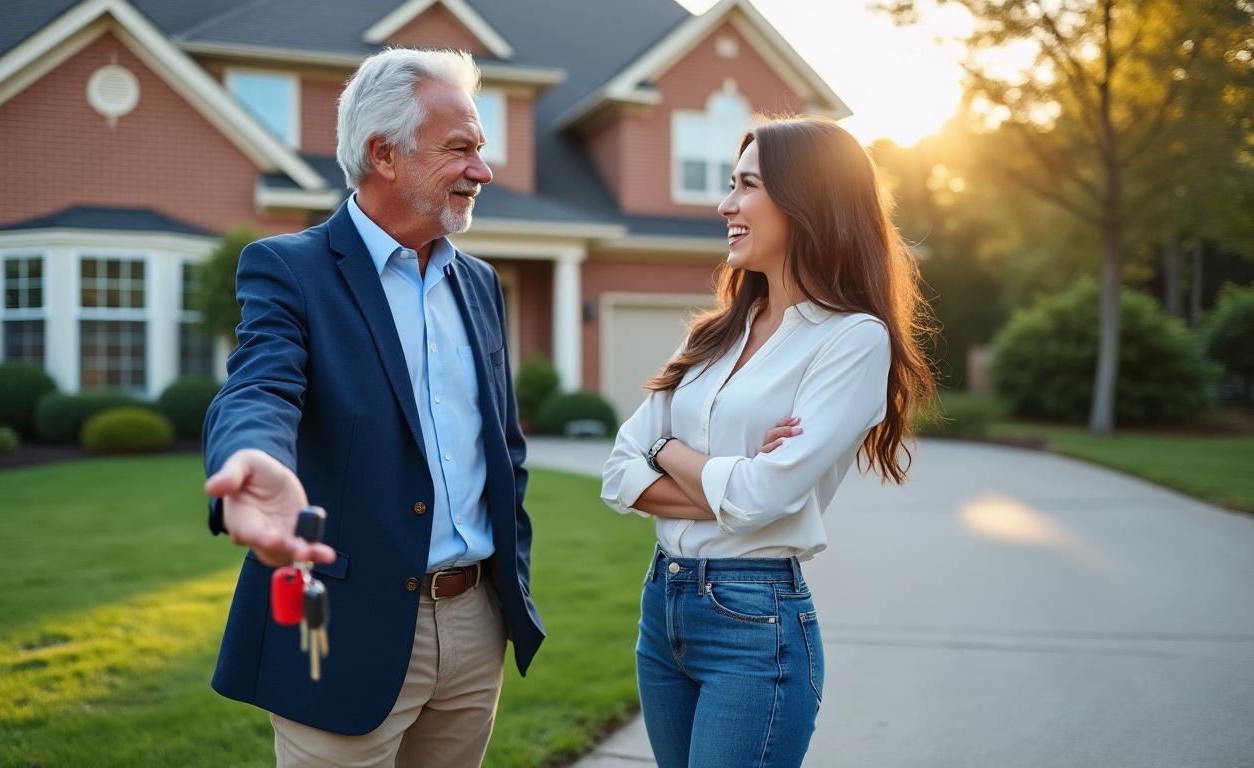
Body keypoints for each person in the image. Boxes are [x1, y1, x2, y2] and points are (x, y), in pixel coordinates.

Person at [201, 48, 543, 768]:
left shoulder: (479, 283)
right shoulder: (289, 270)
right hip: (344, 628)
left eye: (480, 149)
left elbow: (503, 449)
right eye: (460, 149)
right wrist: (253, 460)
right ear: (383, 154)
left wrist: (506, 589)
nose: (482, 171)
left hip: (477, 622)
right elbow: (260, 385)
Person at [600, 117, 935, 767]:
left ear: (806, 200)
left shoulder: (852, 340)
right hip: (662, 608)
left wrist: (667, 449)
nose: (725, 204)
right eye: (729, 184)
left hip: (755, 624)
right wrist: (739, 478)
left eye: (746, 185)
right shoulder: (713, 335)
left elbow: (762, 498)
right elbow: (618, 475)